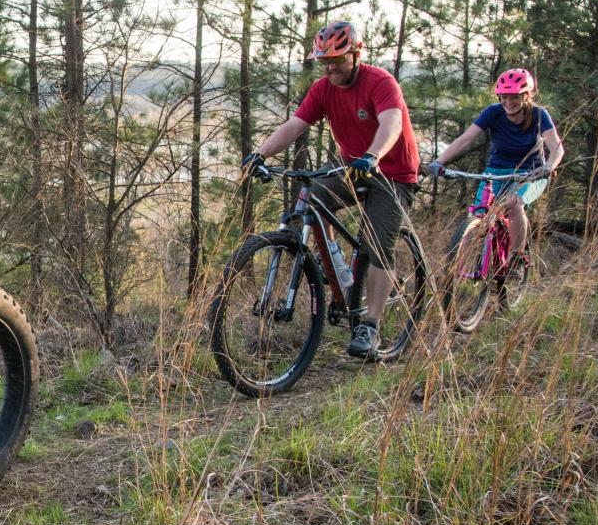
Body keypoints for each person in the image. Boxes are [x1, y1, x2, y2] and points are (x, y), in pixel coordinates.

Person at [241, 19, 422, 360]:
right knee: (312, 197)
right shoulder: (323, 89)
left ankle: (370, 325)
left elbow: (392, 123)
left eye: (338, 59)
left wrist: (372, 155)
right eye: (325, 61)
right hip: (352, 168)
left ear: (357, 53)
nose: (332, 67)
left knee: (377, 243)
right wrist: (260, 154)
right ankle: (335, 268)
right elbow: (295, 124)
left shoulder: (380, 82)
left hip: (392, 172)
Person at [423, 68, 563, 260]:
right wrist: (439, 161)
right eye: (504, 97)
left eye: (514, 97)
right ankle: (476, 263)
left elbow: (556, 147)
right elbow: (465, 139)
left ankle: (517, 258)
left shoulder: (539, 115)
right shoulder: (493, 113)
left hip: (531, 173)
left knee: (514, 204)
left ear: (526, 96)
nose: (508, 102)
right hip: (495, 171)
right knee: (481, 213)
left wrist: (549, 167)